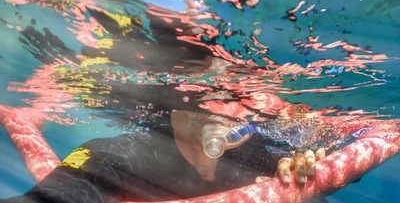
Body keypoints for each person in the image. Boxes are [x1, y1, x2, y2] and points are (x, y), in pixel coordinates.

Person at [1, 110, 326, 203]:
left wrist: (300, 183)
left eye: (229, 100)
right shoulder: (128, 153)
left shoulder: (258, 152)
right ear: (169, 106)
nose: (212, 110)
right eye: (197, 101)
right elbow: (66, 189)